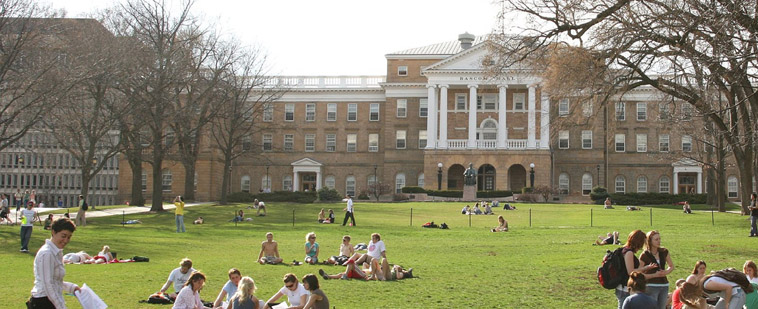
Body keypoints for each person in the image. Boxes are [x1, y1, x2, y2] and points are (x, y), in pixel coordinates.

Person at [28, 217, 80, 308]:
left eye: (69, 237)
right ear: (53, 232)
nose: (66, 240)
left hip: (50, 300)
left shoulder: (56, 252)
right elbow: (48, 284)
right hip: (43, 302)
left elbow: (55, 281)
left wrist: (71, 287)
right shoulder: (47, 253)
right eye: (63, 236)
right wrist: (60, 307)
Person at [615, 230, 661, 308]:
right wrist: (645, 268)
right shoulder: (629, 252)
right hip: (625, 288)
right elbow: (631, 271)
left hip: (623, 287)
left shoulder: (624, 249)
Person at [640, 230, 675, 309]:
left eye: (659, 239)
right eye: (656, 239)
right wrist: (653, 275)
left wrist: (666, 272)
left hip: (664, 284)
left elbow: (671, 266)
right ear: (650, 241)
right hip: (651, 285)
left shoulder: (664, 251)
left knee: (662, 306)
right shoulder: (645, 254)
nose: (659, 241)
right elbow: (639, 272)